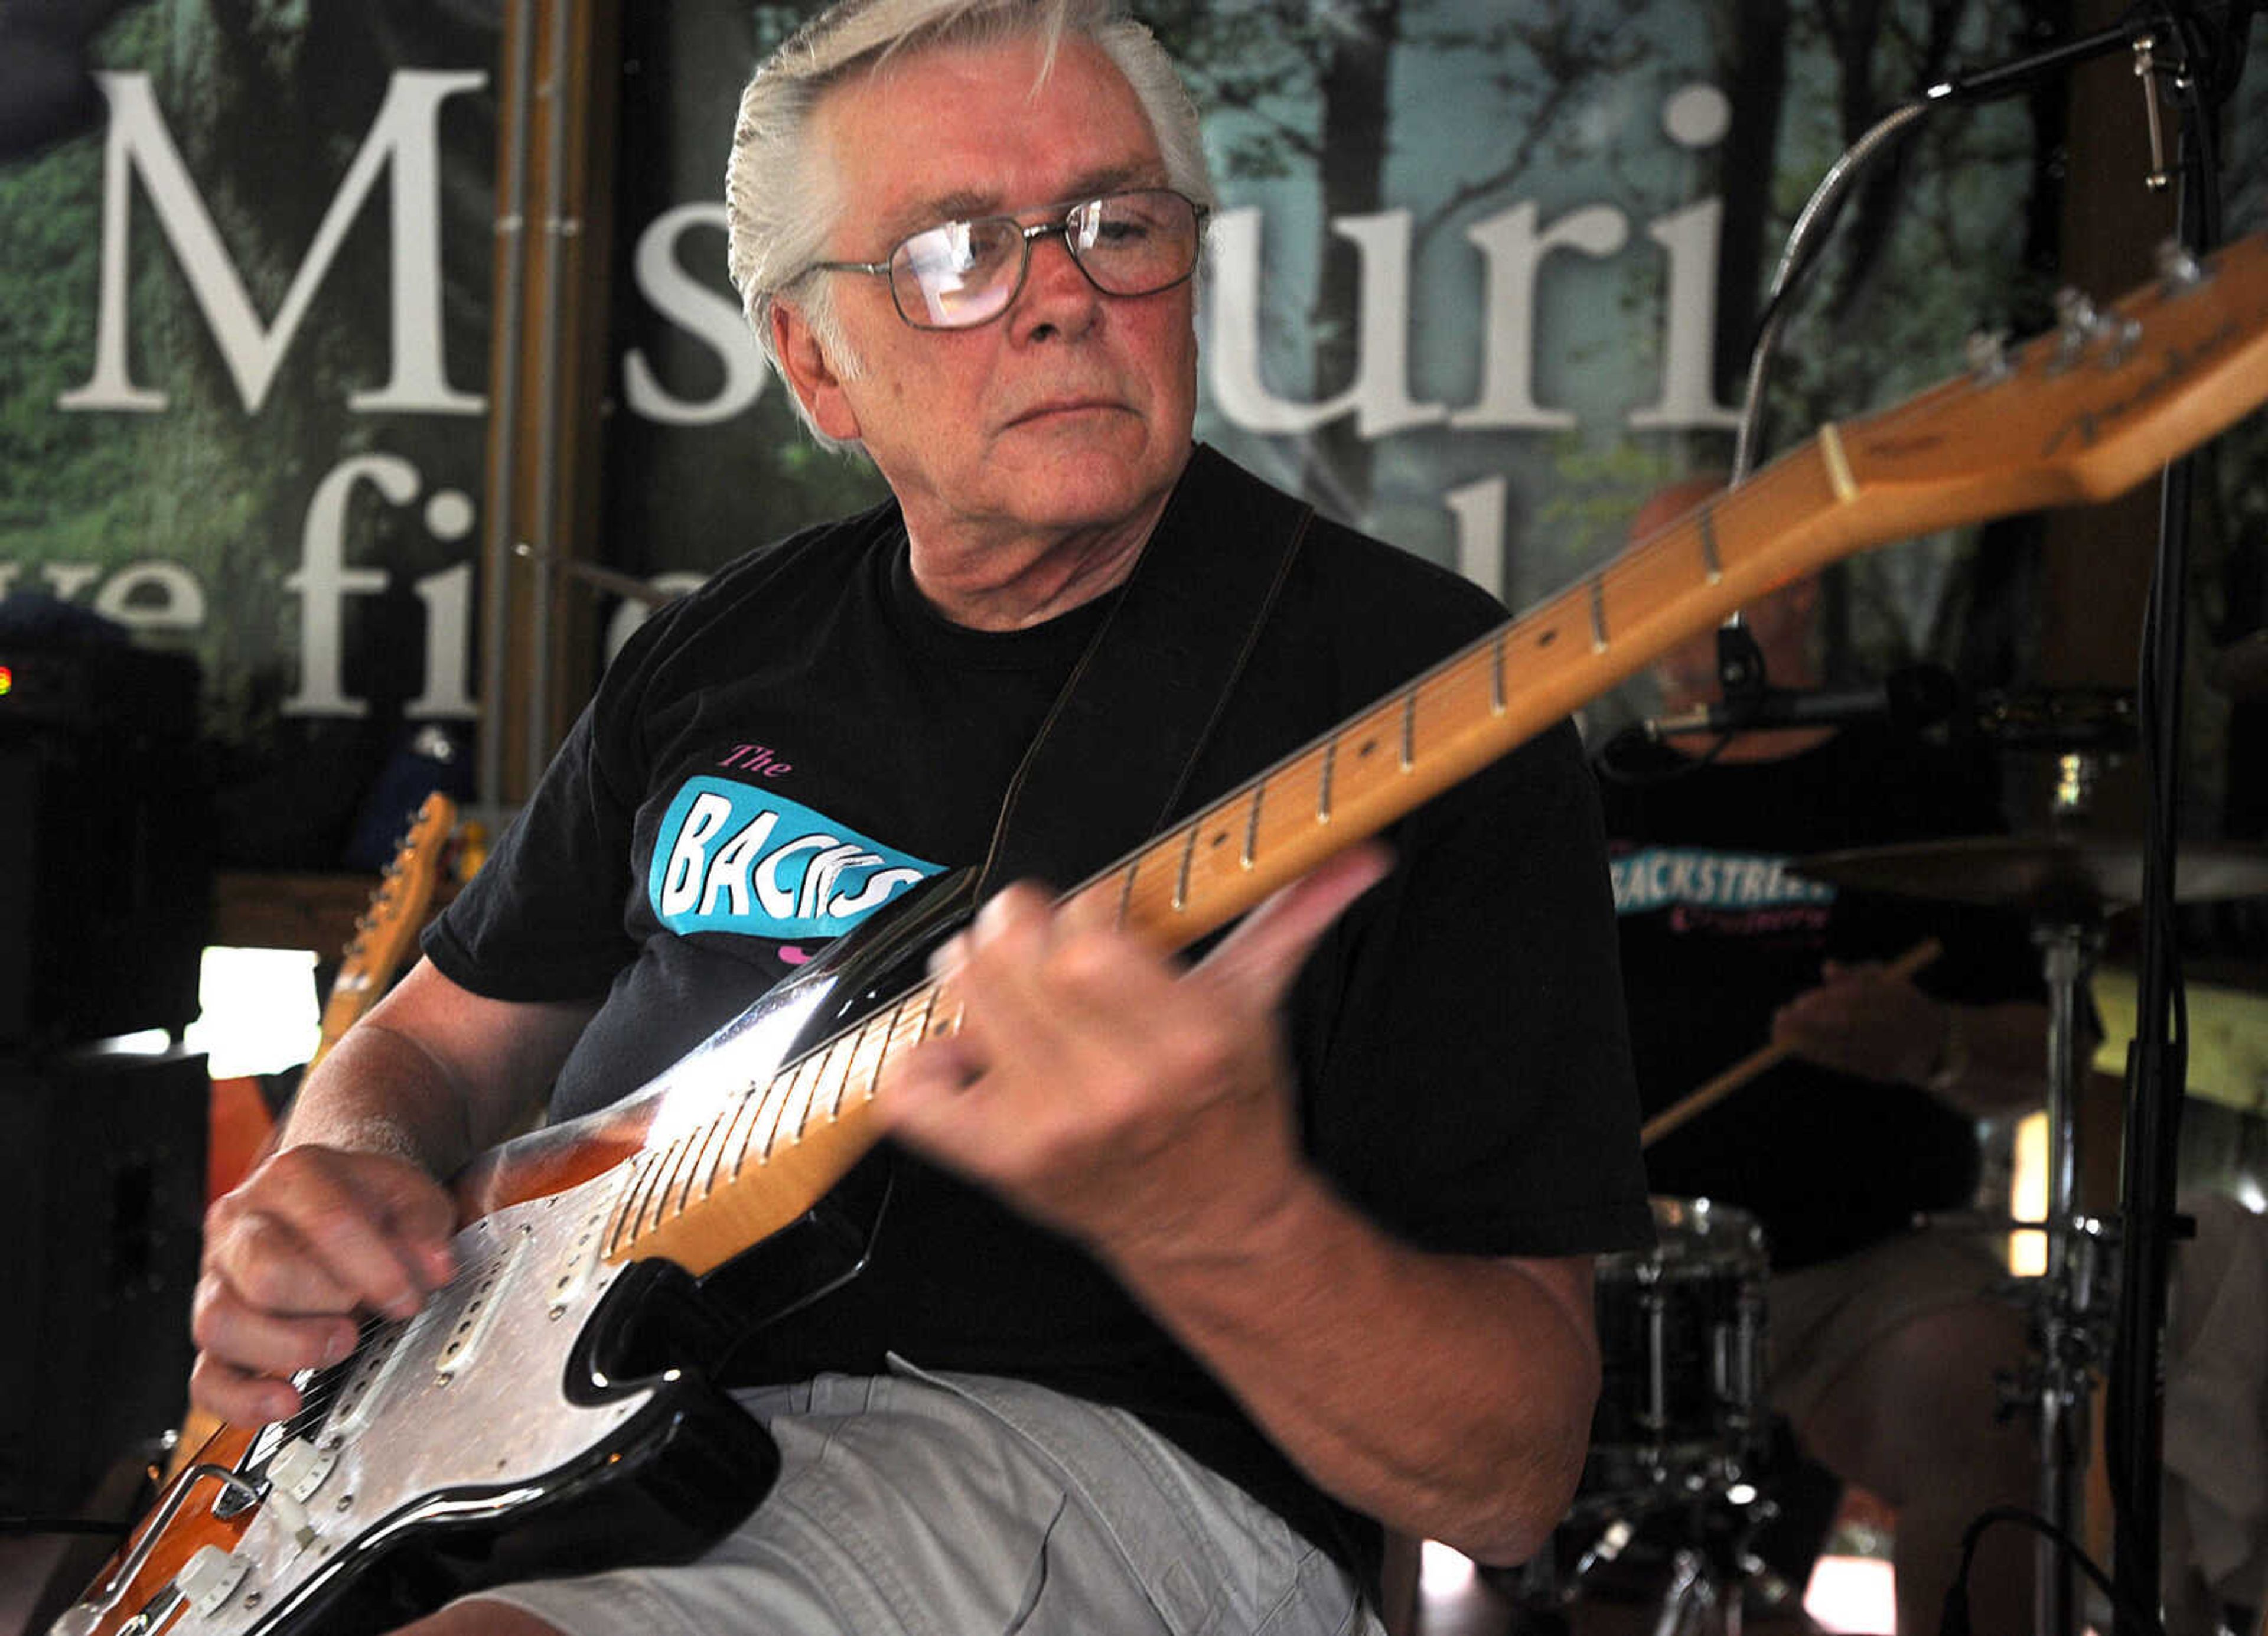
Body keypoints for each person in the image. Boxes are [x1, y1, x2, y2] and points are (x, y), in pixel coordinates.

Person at [183, 5, 1654, 1634]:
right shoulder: (720, 647)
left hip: (1072, 1462)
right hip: (538, 1446)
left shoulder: (1422, 695)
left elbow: (1514, 1468)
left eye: (1120, 225)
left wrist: (1216, 1220)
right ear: (817, 363)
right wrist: (339, 1174)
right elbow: (440, 1045)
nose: (1066, 297)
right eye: (958, 251)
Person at [1591, 476, 2055, 1636]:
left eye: (1684, 575)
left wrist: (1933, 1042)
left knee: (1988, 1397)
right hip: (1624, 1264)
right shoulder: (1596, 784)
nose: (1654, 609)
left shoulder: (1910, 782)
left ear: (1789, 582)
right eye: (1639, 583)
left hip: (1862, 1271)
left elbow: (2047, 1055)